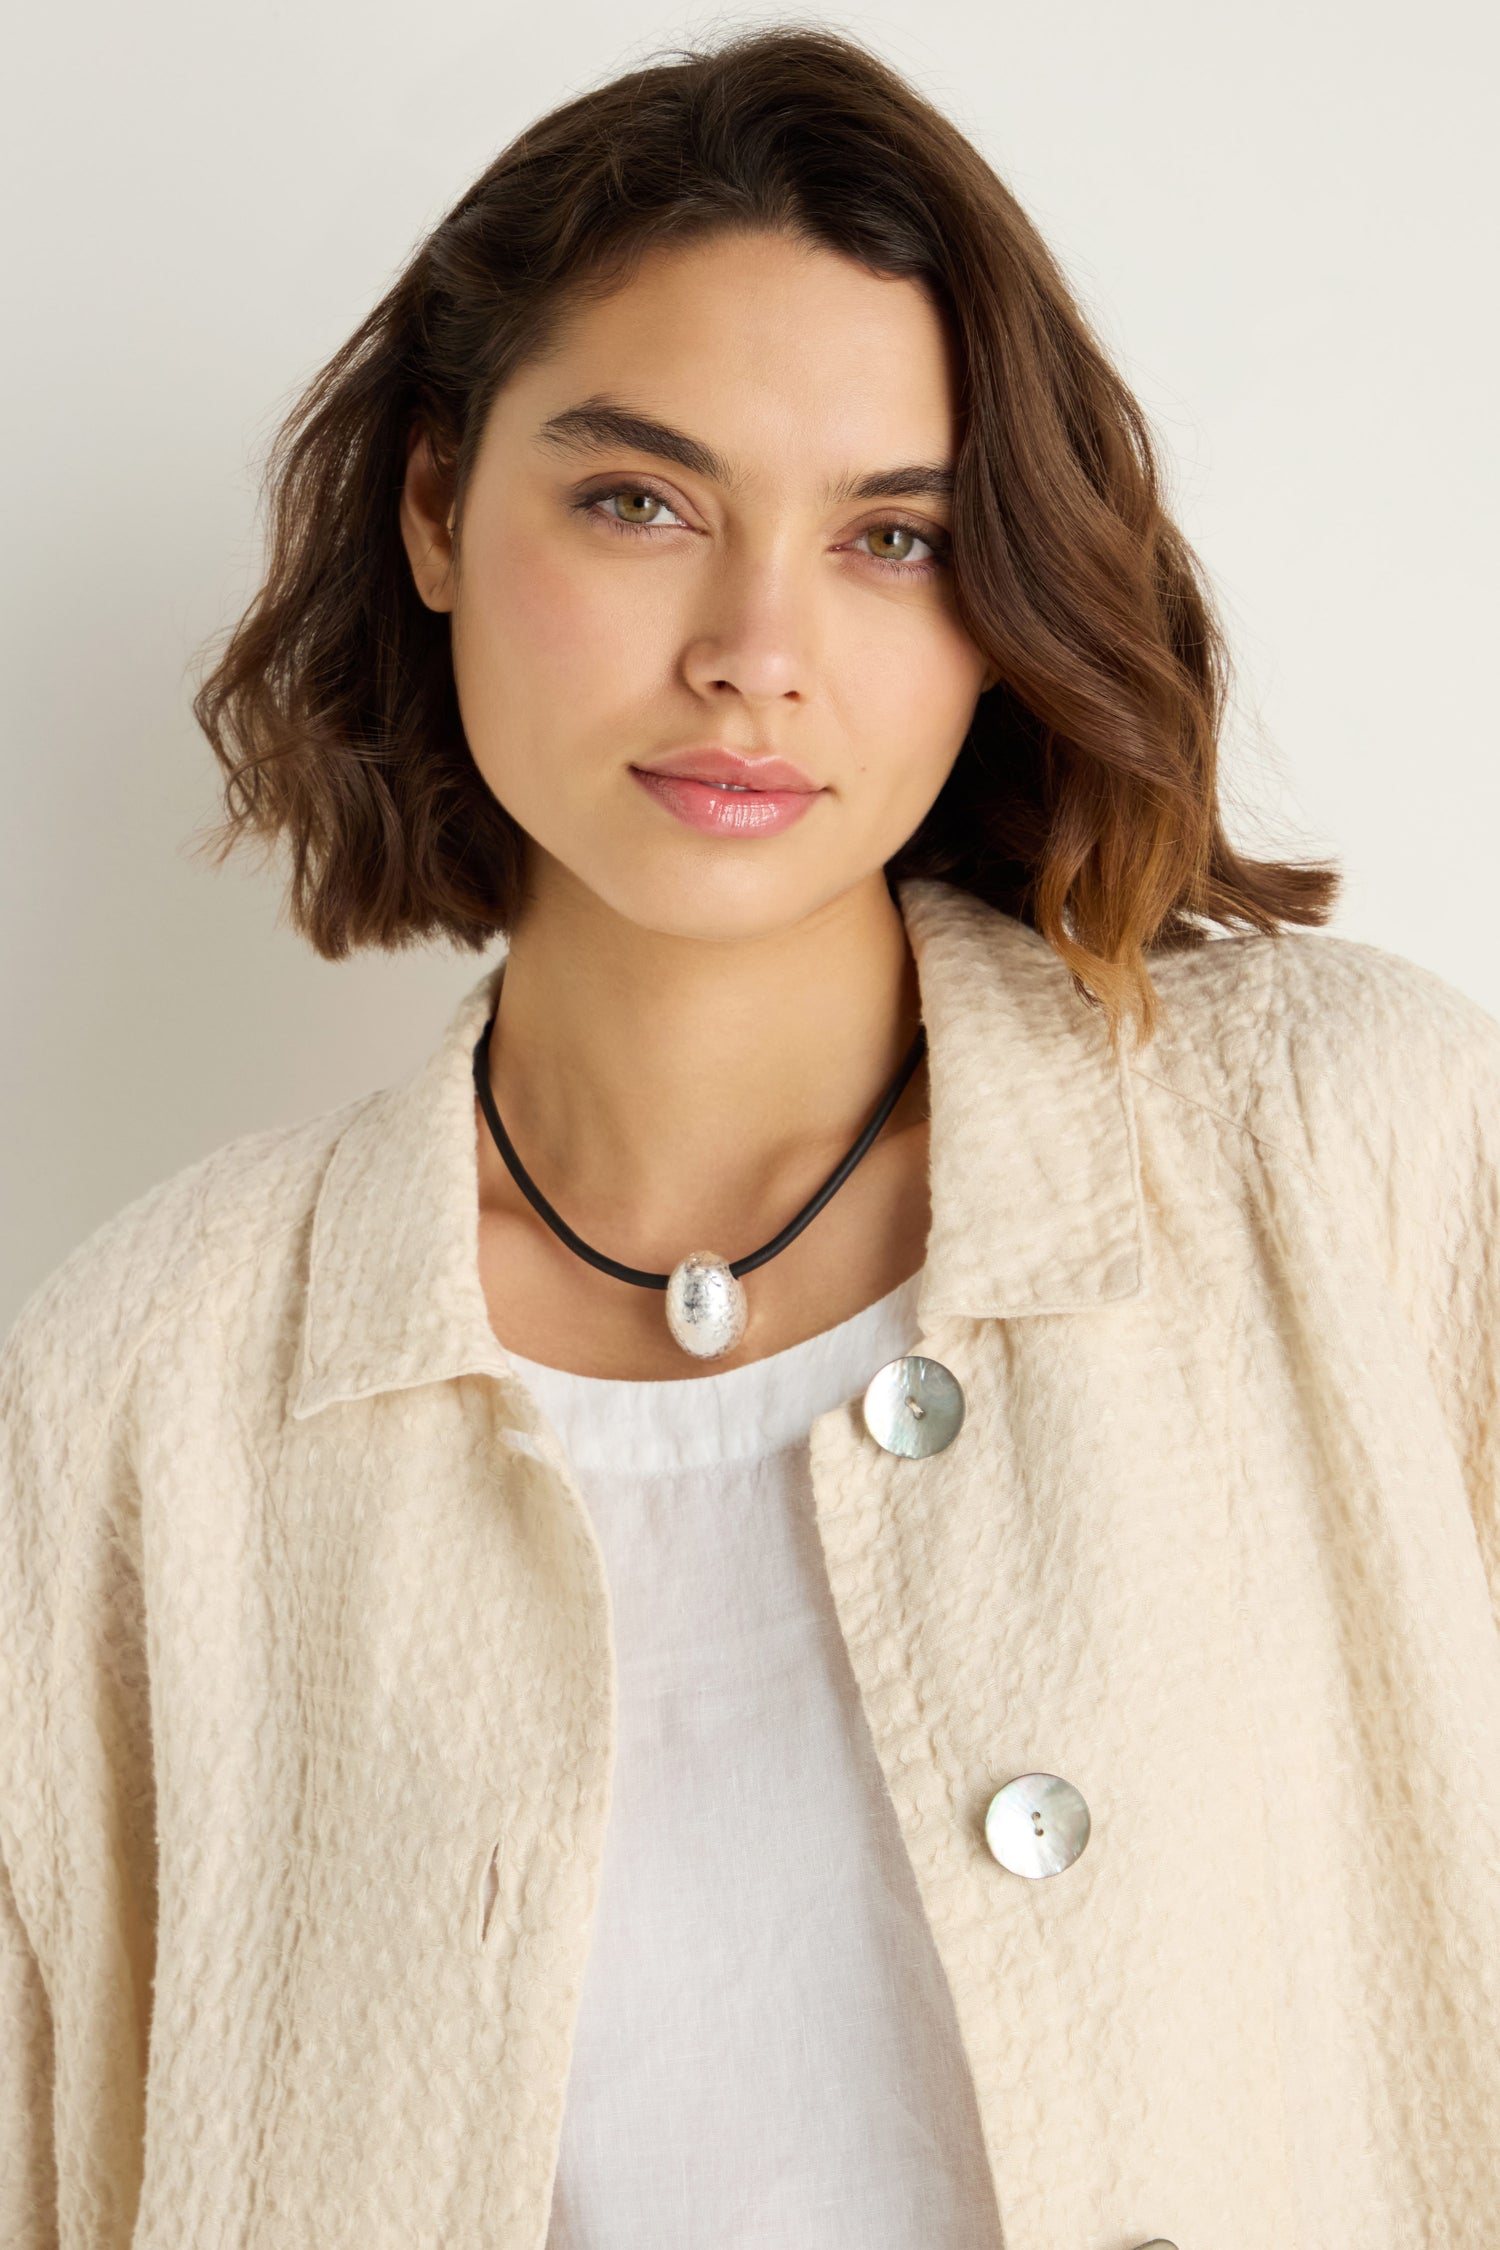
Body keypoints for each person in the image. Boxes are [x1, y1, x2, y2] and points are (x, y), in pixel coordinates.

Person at [3, 22, 1498, 2250]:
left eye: (893, 537)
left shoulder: (1351, 1151)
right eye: (642, 501)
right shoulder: (147, 1396)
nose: (755, 652)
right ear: (436, 506)